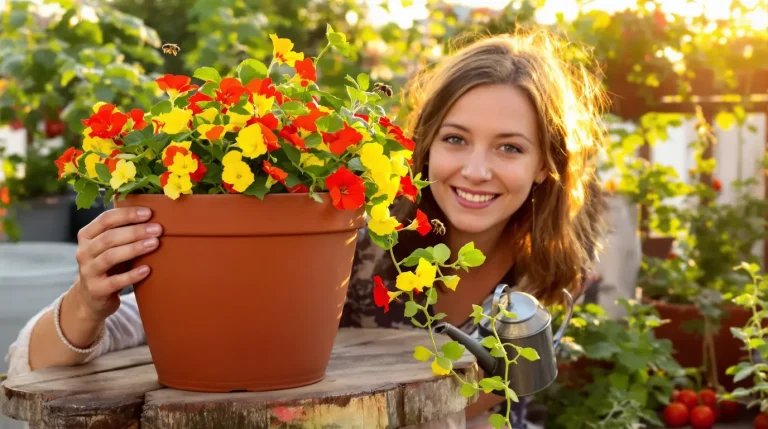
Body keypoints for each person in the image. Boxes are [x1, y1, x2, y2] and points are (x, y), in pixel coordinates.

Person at [5, 26, 607, 429]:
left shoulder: (554, 268)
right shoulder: (350, 236)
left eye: (509, 147)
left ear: (546, 164)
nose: (476, 170)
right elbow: (36, 361)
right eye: (455, 139)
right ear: (423, 146)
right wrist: (89, 301)